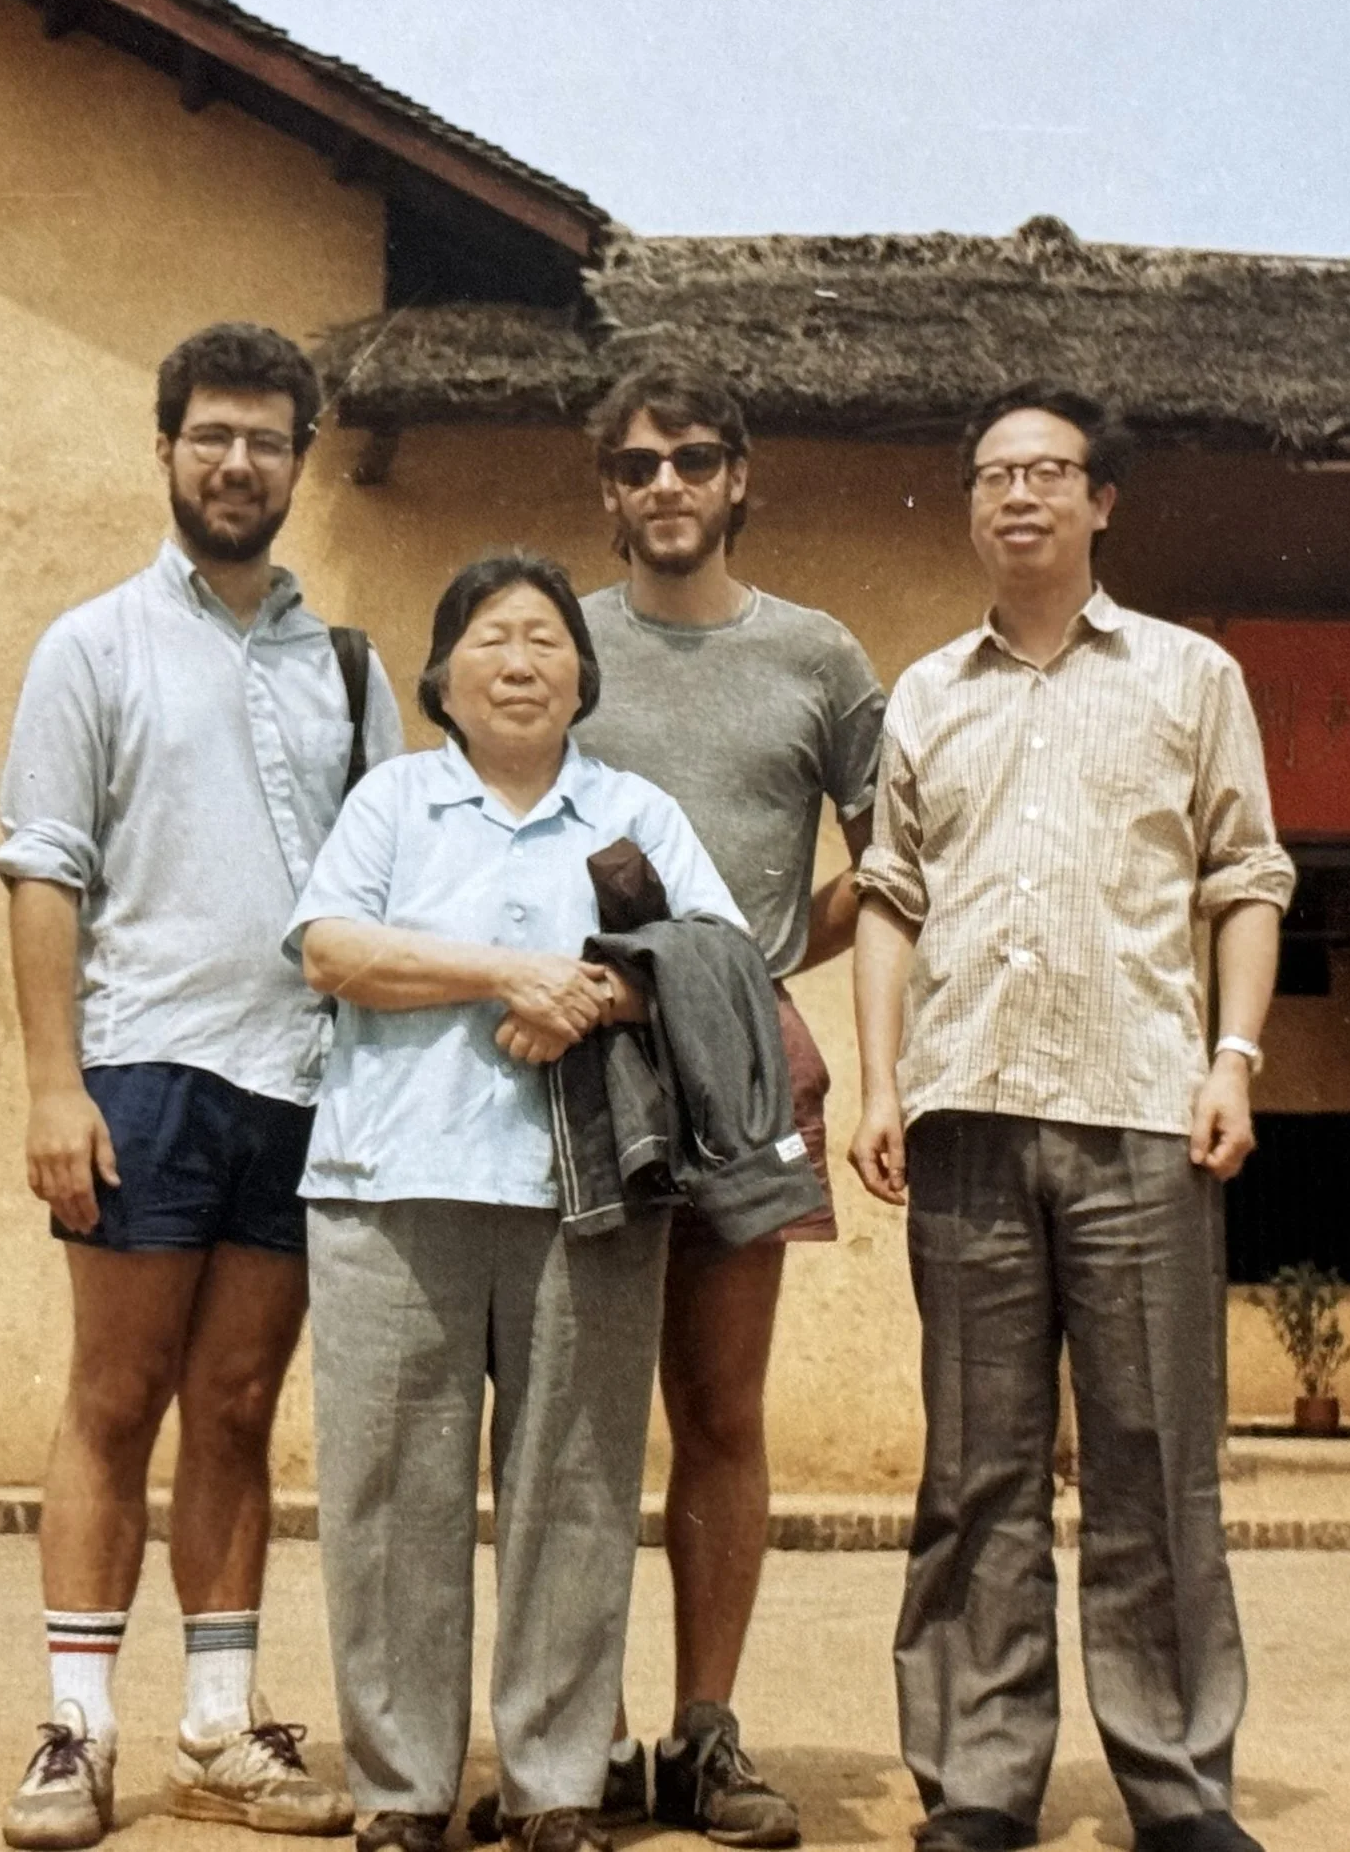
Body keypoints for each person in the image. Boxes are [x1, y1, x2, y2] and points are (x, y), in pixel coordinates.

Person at [849, 384, 1295, 1852]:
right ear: (971, 505)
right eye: (991, 475)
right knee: (975, 1466)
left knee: (1153, 1458)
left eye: (1048, 472)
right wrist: (879, 1077)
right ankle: (979, 1780)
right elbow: (890, 899)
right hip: (970, 1110)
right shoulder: (924, 692)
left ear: (1105, 501)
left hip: (1143, 1119)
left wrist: (1231, 1056)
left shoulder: (1190, 676)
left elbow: (1247, 875)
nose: (1018, 496)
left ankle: (1177, 1783)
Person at [0, 322, 397, 1850]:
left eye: (268, 439)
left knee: (236, 1403)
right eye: (212, 434)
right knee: (114, 1398)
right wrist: (54, 1084)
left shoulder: (348, 664)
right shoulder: (90, 645)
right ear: (165, 447)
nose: (239, 462)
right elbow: (42, 870)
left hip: (302, 1088)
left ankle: (219, 1726)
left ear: (302, 461)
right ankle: (75, 1730)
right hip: (144, 1071)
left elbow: (389, 881)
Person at [288, 552, 747, 1852]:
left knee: (577, 1487)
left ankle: (554, 1783)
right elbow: (331, 947)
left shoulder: (631, 815)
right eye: (491, 636)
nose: (522, 658)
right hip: (390, 1185)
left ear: (583, 676)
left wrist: (594, 994)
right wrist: (508, 972)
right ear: (441, 675)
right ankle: (403, 1787)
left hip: (586, 1198)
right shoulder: (393, 804)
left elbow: (713, 957)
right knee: (388, 1497)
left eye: (547, 637)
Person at [561, 365, 885, 1846]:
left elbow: (895, 861)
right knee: (570, 1413)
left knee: (720, 1405)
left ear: (740, 476)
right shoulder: (556, 640)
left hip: (739, 1068)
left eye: (694, 458)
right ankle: (569, 1737)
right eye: (637, 465)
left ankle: (705, 1730)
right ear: (608, 489)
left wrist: (748, 965)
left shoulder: (818, 658)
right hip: (577, 1059)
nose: (666, 485)